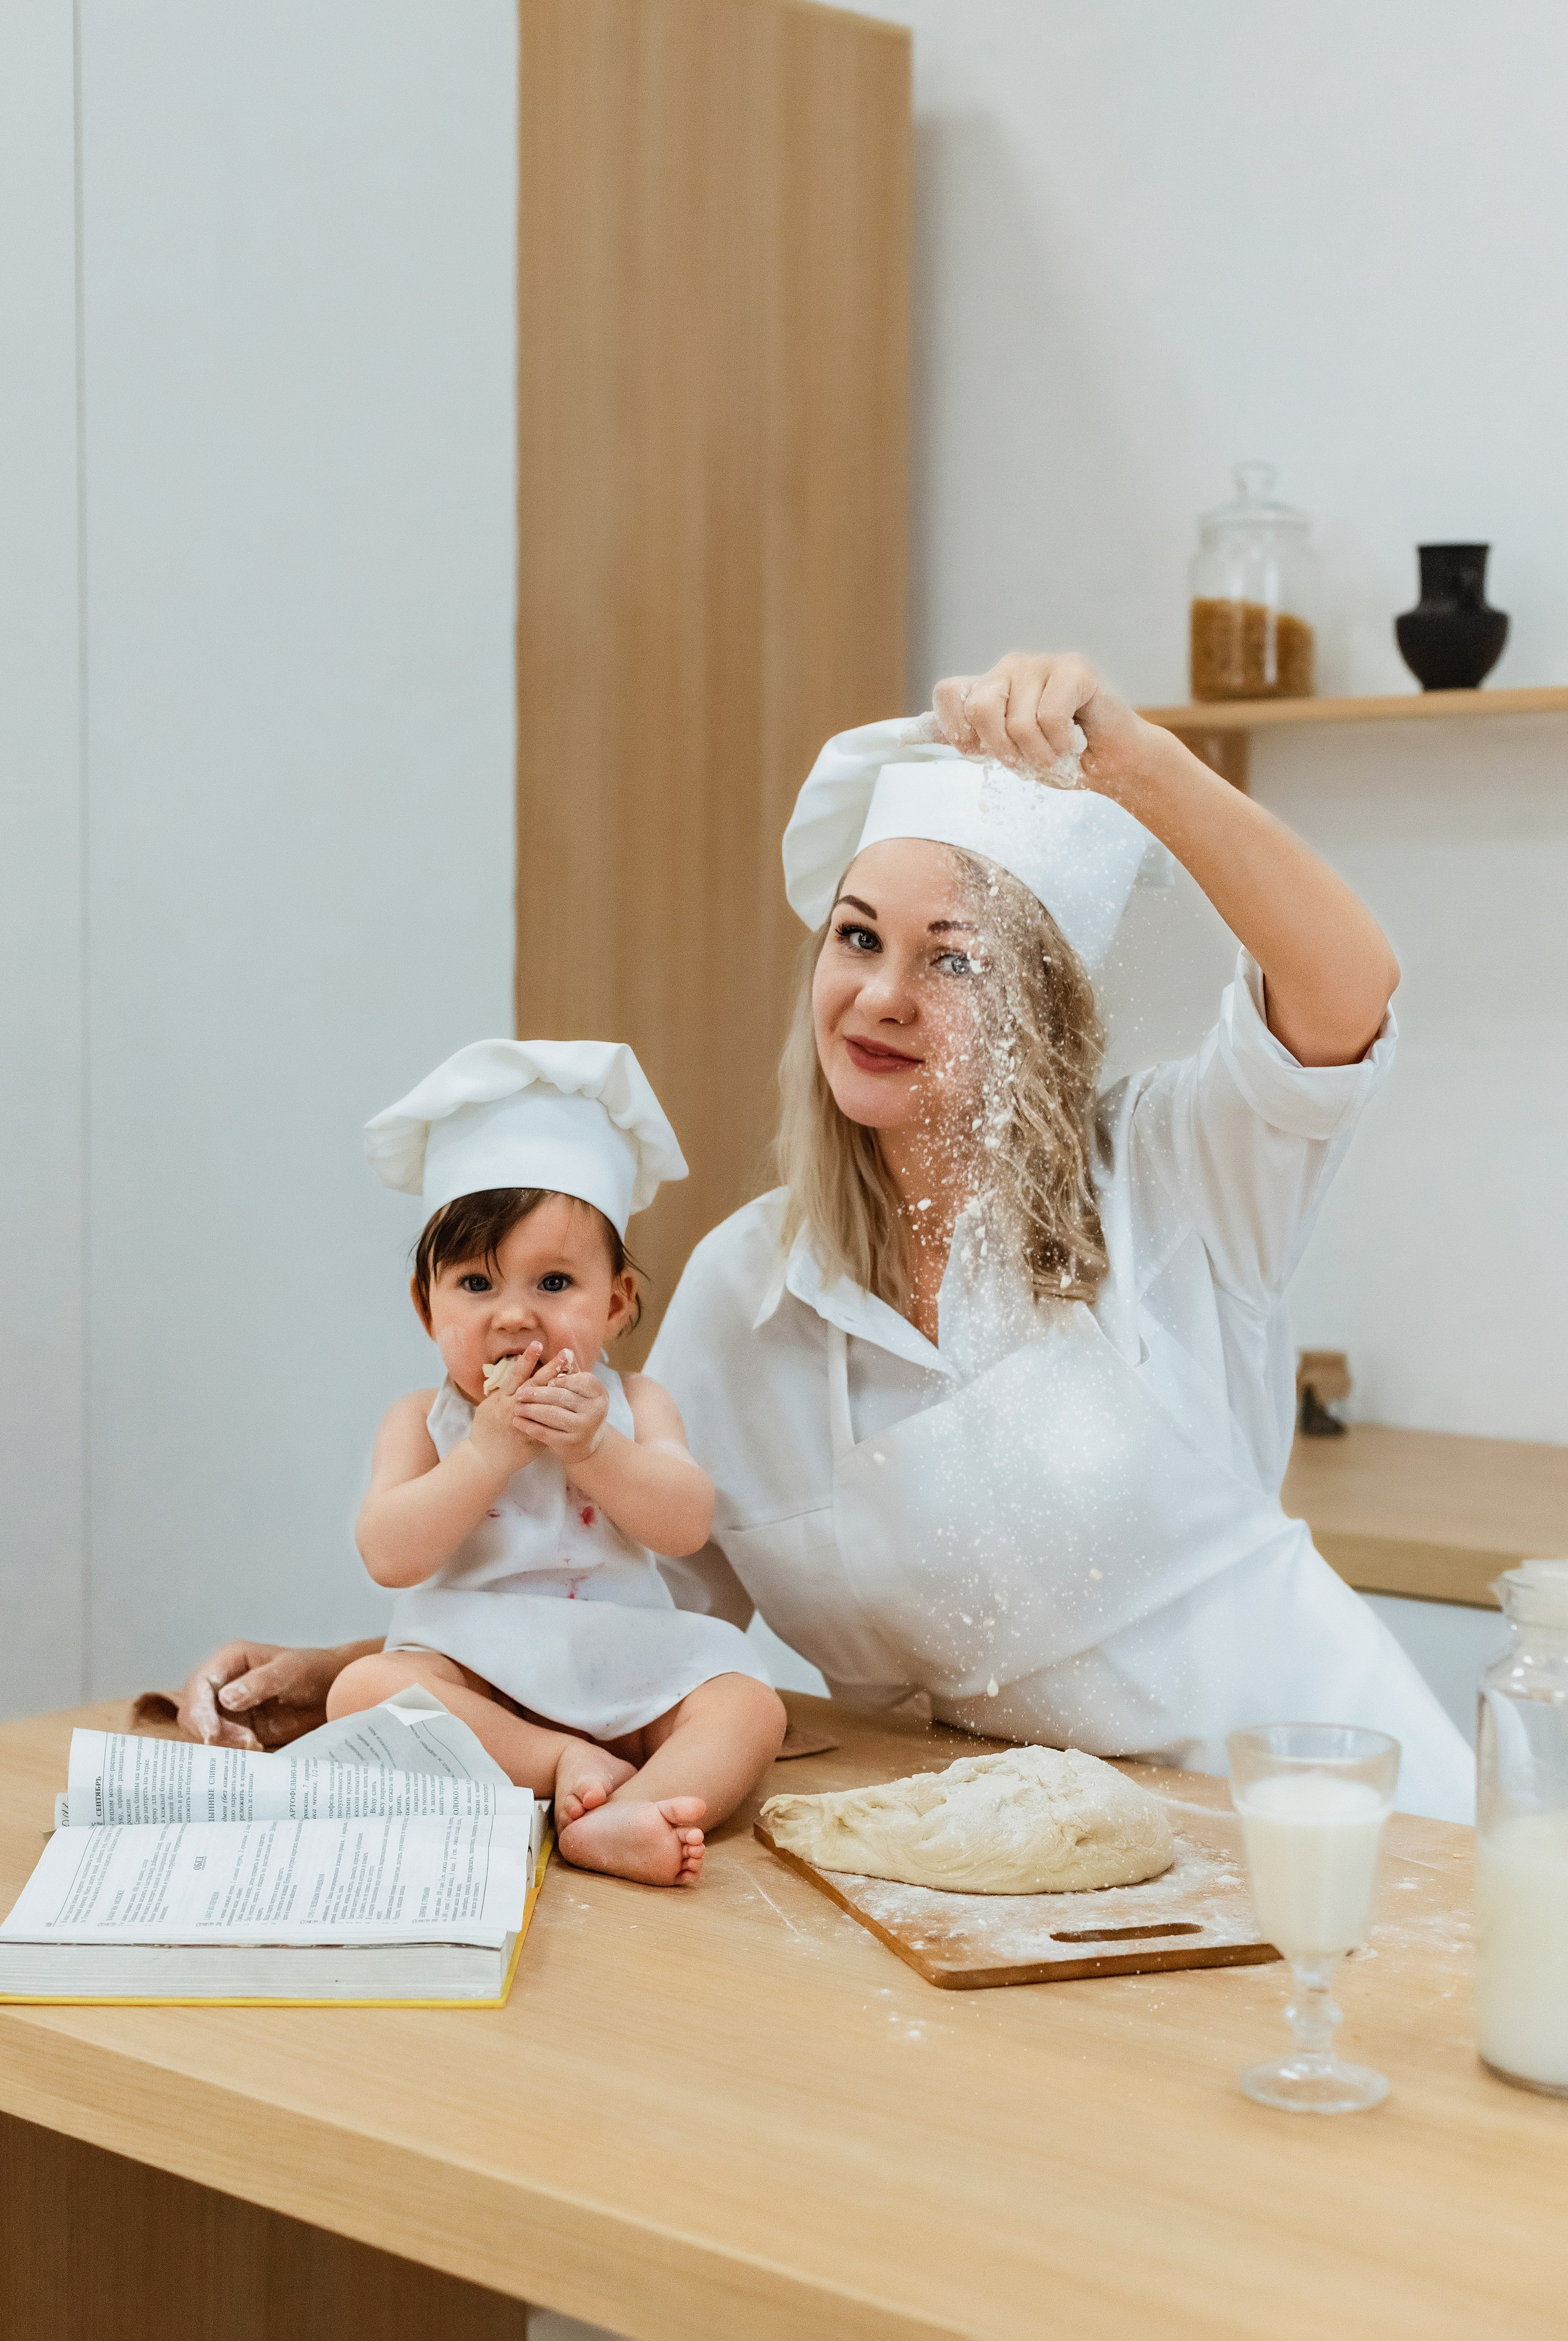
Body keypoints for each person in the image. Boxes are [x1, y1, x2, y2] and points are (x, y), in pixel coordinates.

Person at [179, 650, 1473, 1822]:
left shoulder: (1170, 1171)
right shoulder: (746, 1289)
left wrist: (1136, 764)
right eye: (856, 939)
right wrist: (367, 1673)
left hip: (1340, 1822)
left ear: (1038, 1011)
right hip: (1040, 1863)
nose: (880, 995)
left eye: (951, 961)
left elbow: (1344, 987)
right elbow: (621, 1622)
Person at [325, 1038, 785, 1886]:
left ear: (614, 1304)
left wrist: (595, 1448)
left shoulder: (637, 1403)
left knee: (748, 1705)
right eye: (475, 1285)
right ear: (426, 1308)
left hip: (624, 1655)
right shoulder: (421, 1422)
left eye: (553, 1284)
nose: (513, 1318)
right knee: (360, 1691)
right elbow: (391, 1556)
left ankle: (622, 1815)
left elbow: (684, 1525)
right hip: (476, 1673)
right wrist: (486, 1452)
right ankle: (556, 1764)